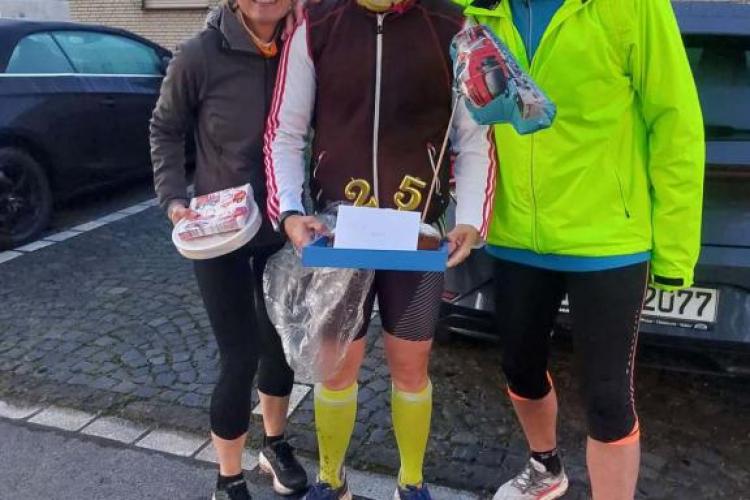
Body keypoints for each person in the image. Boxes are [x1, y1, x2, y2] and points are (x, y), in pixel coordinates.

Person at [453, 0, 705, 499]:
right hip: (516, 233)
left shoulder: (634, 7)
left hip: (608, 241)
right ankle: (545, 467)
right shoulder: (480, 9)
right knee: (520, 369)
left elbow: (676, 122)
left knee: (607, 397)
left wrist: (675, 251)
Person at [264, 0, 497, 497]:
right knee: (335, 370)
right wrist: (289, 211)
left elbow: (475, 137)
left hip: (418, 234)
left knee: (411, 368)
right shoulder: (317, 24)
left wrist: (472, 219)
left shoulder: (453, 25)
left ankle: (411, 482)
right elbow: (284, 131)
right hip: (339, 232)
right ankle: (331, 479)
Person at [150, 1, 310, 498]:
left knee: (280, 346)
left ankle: (275, 445)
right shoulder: (199, 55)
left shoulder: (304, 47)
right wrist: (173, 198)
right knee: (239, 355)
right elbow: (165, 128)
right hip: (220, 231)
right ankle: (228, 477)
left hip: (284, 224)